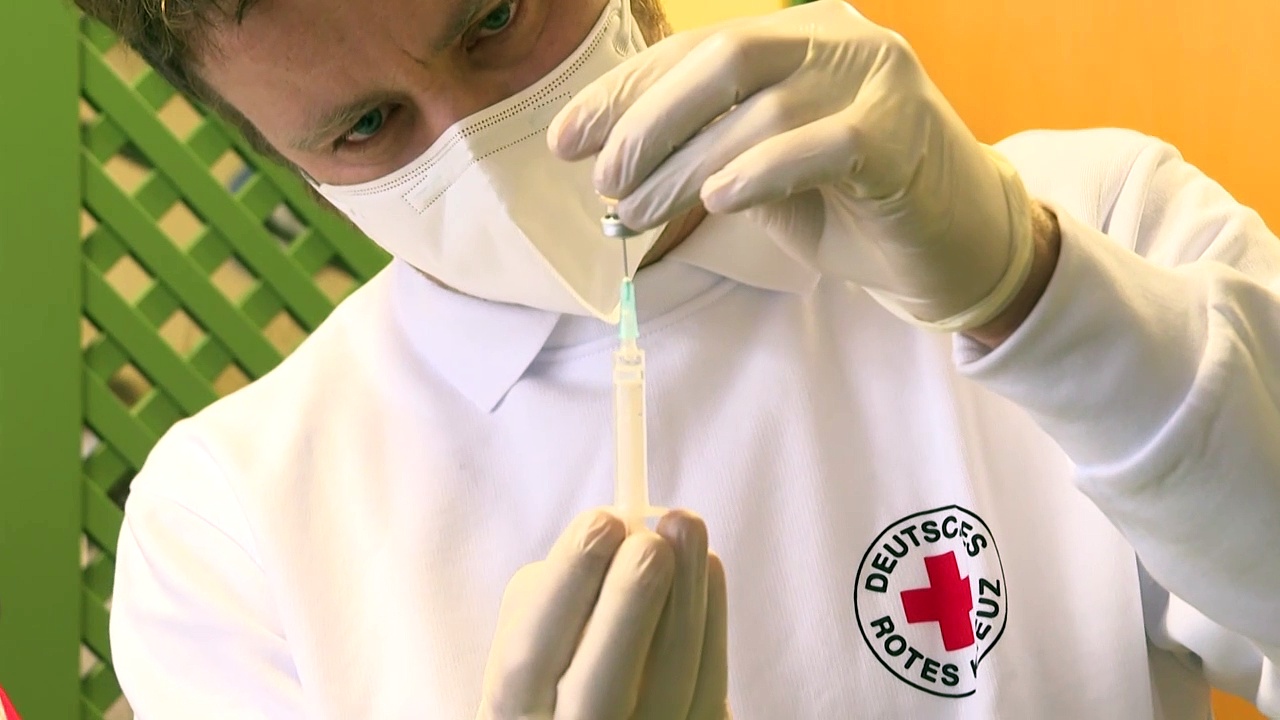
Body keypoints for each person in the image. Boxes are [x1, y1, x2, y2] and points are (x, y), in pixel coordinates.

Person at [76, 0, 1279, 716]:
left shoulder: (1094, 218)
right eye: (366, 127)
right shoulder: (232, 525)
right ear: (277, 154)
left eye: (495, 18)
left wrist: (1034, 297)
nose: (484, 145)